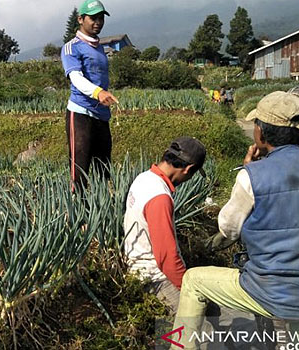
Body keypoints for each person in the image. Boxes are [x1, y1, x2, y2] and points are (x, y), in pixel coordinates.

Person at [171, 91, 299, 349]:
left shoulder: (252, 175)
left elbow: (228, 228)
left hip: (270, 290)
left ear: (260, 134)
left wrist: (248, 170)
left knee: (194, 281)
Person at [123, 137, 206, 314]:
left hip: (138, 271)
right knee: (200, 327)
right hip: (156, 279)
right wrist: (188, 289)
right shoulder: (159, 197)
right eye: (192, 174)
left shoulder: (144, 178)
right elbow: (167, 258)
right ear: (188, 169)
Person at [61, 0, 118, 193]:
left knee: (103, 169)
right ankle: (79, 217)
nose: (98, 22)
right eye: (93, 18)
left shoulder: (100, 48)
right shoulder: (72, 47)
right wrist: (98, 92)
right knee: (80, 168)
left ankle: (101, 214)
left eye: (101, 18)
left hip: (101, 115)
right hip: (80, 113)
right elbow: (76, 78)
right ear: (80, 19)